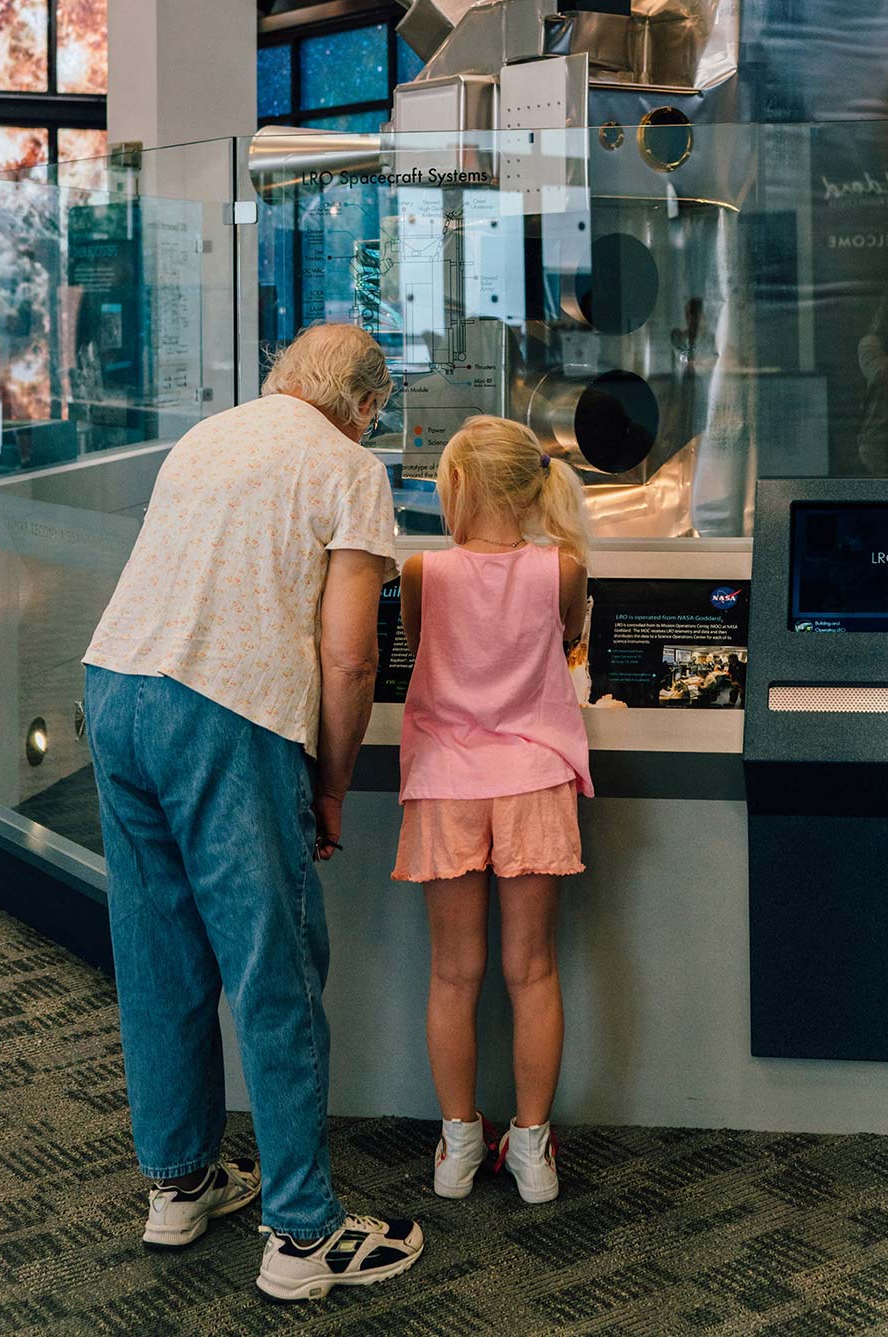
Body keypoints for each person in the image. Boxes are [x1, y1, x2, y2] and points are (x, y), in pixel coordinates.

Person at [82, 323, 424, 1303]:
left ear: (283, 376)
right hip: (224, 713)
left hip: (118, 688)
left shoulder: (209, 434)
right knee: (274, 969)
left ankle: (180, 1181)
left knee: (159, 955)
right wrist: (328, 783)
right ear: (366, 404)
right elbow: (352, 655)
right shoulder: (348, 465)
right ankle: (304, 1235)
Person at [394, 416, 592, 1206]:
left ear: (457, 489)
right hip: (535, 780)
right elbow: (566, 643)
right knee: (533, 969)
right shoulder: (564, 569)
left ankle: (457, 1144)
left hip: (446, 781)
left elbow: (422, 650)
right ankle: (534, 1149)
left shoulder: (421, 572)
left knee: (453, 971)